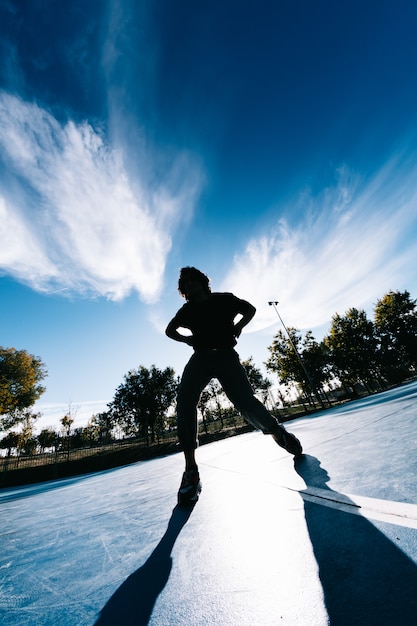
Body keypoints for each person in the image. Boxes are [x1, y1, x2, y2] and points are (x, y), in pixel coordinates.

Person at [165, 266, 302, 504]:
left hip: (226, 356)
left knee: (245, 403)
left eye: (190, 280)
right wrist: (187, 339)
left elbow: (250, 309)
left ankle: (277, 432)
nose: (187, 285)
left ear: (201, 281)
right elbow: (170, 330)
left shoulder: (224, 300)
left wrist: (239, 326)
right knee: (185, 400)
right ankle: (191, 471)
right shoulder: (187, 310)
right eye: (183, 284)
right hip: (201, 358)